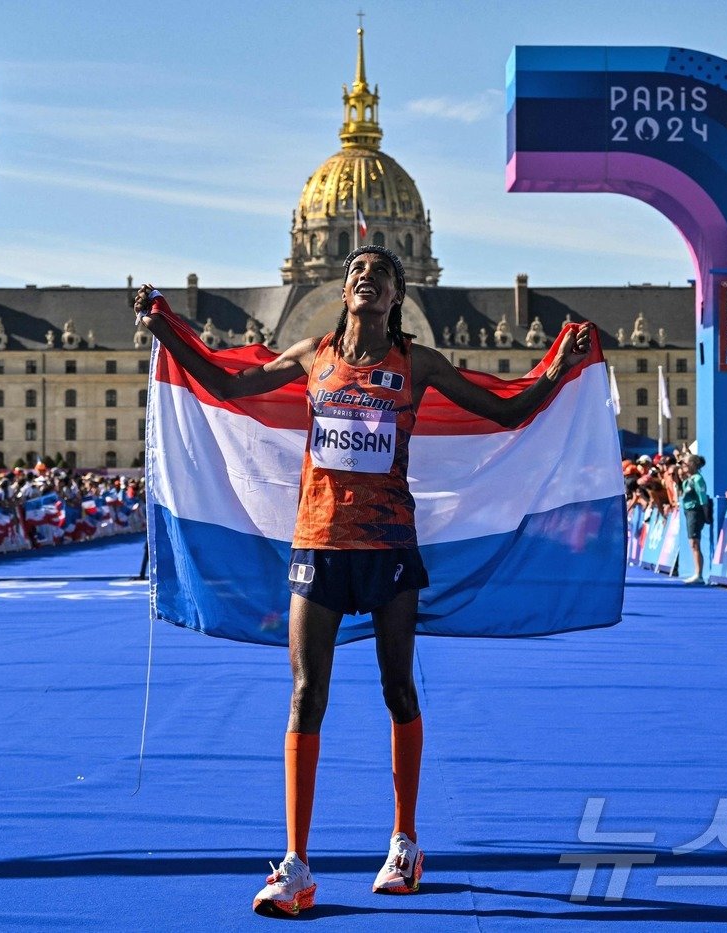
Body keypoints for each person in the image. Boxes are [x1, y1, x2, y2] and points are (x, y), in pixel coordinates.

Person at [134, 245, 593, 917]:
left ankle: (405, 839)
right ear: (345, 291)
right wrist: (168, 327)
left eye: (381, 273)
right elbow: (228, 386)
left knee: (397, 687)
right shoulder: (312, 353)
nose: (366, 278)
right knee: (304, 693)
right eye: (357, 271)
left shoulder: (417, 363)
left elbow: (506, 410)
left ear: (396, 295)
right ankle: (295, 864)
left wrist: (559, 363)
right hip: (318, 542)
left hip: (389, 545)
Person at [677, 454, 709, 583]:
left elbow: (703, 498)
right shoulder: (687, 480)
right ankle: (697, 572)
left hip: (695, 512)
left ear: (693, 465)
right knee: (693, 543)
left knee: (695, 543)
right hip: (688, 511)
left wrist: (706, 515)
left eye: (685, 464)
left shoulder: (697, 479)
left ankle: (699, 574)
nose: (683, 467)